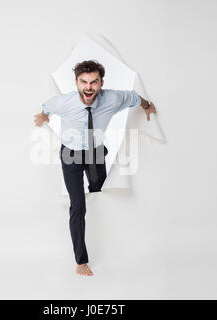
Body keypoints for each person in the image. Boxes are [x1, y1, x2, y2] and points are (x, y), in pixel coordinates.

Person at [34, 60, 156, 276]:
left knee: (101, 194)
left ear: (101, 83)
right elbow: (46, 107)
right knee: (78, 207)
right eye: (83, 82)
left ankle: (108, 238)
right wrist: (44, 116)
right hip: (70, 155)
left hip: (96, 153)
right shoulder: (63, 103)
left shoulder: (113, 98)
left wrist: (147, 106)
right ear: (76, 83)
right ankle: (81, 261)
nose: (88, 87)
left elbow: (135, 97)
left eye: (93, 82)